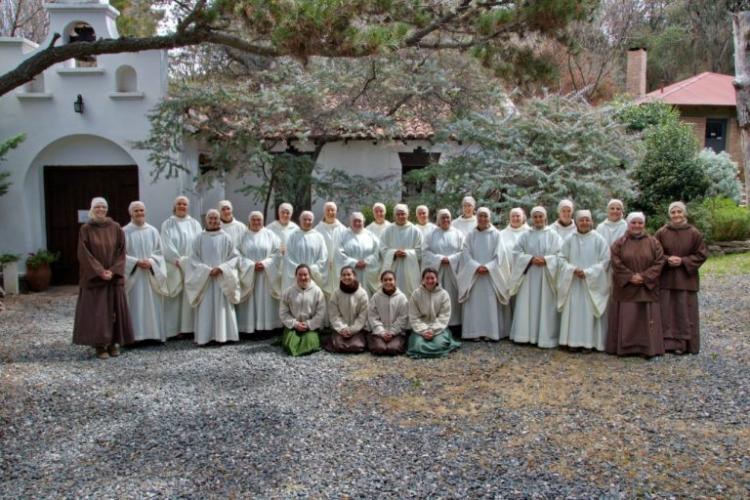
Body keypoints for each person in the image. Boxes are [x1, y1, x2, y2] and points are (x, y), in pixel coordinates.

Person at [72, 197, 134, 359]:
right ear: (92, 209)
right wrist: (100, 271)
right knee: (98, 313)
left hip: (113, 277)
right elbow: (84, 253)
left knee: (114, 310)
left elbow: (122, 251)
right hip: (95, 278)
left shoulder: (115, 227)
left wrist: (113, 271)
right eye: (97, 207)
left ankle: (114, 342)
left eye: (104, 207)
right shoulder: (86, 229)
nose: (101, 210)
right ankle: (100, 345)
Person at [606, 212, 666, 358]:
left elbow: (659, 261)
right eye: (634, 222)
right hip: (627, 286)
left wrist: (644, 277)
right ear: (628, 224)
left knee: (646, 318)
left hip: (646, 287)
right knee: (628, 317)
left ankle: (648, 349)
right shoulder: (619, 243)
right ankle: (626, 348)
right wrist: (630, 277)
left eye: (640, 223)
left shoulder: (653, 242)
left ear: (644, 224)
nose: (637, 225)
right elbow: (616, 262)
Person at [655, 202, 708, 354]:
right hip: (666, 279)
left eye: (679, 211)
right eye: (673, 212)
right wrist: (666, 259)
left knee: (684, 313)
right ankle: (667, 344)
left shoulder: (694, 233)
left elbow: (701, 254)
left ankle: (683, 345)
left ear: (684, 213)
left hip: (686, 279)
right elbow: (654, 252)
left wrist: (683, 261)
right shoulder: (661, 232)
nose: (676, 215)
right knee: (666, 312)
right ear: (669, 214)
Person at [183, 209, 241, 346]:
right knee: (206, 307)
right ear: (206, 220)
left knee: (222, 307)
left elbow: (234, 257)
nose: (213, 221)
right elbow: (193, 259)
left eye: (216, 218)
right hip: (206, 280)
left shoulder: (226, 237)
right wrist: (206, 270)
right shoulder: (199, 238)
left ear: (219, 220)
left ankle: (224, 336)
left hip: (221, 277)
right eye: (211, 218)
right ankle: (205, 337)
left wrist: (221, 268)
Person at [556, 210, 611, 351]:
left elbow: (605, 260)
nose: (585, 223)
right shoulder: (570, 238)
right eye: (582, 220)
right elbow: (561, 258)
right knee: (574, 312)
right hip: (573, 281)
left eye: (587, 220)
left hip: (591, 283)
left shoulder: (599, 239)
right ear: (577, 221)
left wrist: (588, 272)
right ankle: (572, 342)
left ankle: (589, 343)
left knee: (589, 311)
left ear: (592, 221)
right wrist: (572, 269)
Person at [509, 206, 563, 348]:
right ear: (532, 219)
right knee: (528, 304)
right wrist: (530, 259)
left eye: (541, 216)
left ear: (545, 218)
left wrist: (547, 260)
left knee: (545, 305)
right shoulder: (525, 235)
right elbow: (516, 253)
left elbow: (561, 255)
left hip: (546, 276)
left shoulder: (554, 235)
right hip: (529, 275)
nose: (538, 219)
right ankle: (525, 336)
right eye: (535, 217)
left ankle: (545, 338)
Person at [458, 207, 512, 341]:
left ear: (490, 218)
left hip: (490, 275)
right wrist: (475, 267)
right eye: (480, 216)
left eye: (485, 216)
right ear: (477, 218)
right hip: (474, 275)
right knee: (474, 304)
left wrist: (488, 267)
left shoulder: (496, 234)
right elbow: (465, 252)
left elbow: (500, 254)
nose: (482, 219)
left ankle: (490, 332)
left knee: (490, 303)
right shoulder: (471, 235)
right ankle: (474, 332)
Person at [123, 201, 168, 343]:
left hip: (149, 274)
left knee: (152, 305)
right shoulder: (124, 231)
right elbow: (120, 254)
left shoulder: (153, 231)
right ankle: (134, 337)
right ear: (131, 213)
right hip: (134, 276)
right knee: (134, 305)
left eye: (141, 210)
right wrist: (135, 262)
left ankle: (153, 335)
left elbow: (159, 252)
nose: (139, 213)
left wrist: (152, 261)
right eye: (136, 211)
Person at [160, 195, 203, 339]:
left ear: (188, 206)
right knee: (175, 297)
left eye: (184, 204)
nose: (182, 206)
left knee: (189, 295)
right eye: (179, 204)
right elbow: (165, 243)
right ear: (174, 206)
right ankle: (172, 330)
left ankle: (188, 329)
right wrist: (177, 260)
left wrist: (188, 261)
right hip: (174, 265)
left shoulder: (195, 224)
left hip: (190, 265)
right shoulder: (167, 223)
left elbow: (198, 243)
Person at [237, 211, 282, 336]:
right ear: (249, 221)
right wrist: (250, 265)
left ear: (263, 221)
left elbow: (277, 252)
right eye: (254, 219)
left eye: (259, 220)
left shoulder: (270, 235)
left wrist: (266, 263)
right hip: (249, 275)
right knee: (250, 302)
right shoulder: (242, 236)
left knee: (266, 300)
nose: (256, 222)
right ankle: (250, 328)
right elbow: (237, 254)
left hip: (266, 275)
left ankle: (267, 327)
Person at [422, 209, 464, 331]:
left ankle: (455, 324)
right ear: (438, 220)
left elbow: (464, 251)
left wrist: (450, 259)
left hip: (453, 272)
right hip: (437, 272)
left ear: (451, 219)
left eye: (448, 217)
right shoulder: (431, 234)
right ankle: (437, 325)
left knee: (453, 298)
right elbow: (425, 251)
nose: (446, 220)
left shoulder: (458, 234)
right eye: (443, 218)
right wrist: (440, 259)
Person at [407, 268, 462, 358]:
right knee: (417, 345)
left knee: (439, 344)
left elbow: (444, 316)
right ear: (423, 280)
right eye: (427, 278)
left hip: (439, 328)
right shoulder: (416, 294)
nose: (430, 281)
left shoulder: (444, 294)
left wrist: (433, 330)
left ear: (437, 279)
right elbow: (414, 316)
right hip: (420, 329)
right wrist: (424, 330)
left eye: (432, 278)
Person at [279, 264, 326, 356]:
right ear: (295, 276)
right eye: (300, 275)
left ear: (310, 275)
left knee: (310, 343)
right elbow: (283, 312)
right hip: (293, 326)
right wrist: (295, 324)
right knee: (290, 345)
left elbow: (321, 312)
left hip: (310, 327)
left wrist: (308, 324)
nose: (303, 277)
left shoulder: (317, 291)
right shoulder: (288, 291)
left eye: (305, 274)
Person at [380, 204, 423, 298]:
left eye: (403, 214)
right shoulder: (387, 230)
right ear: (394, 215)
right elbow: (382, 249)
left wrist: (408, 253)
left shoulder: (415, 231)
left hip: (410, 271)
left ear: (407, 215)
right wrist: (393, 253)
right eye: (398, 214)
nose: (400, 216)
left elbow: (420, 250)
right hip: (393, 268)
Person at [324, 266, 369, 353]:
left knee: (358, 346)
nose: (346, 277)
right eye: (343, 275)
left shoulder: (362, 294)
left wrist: (352, 330)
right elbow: (334, 314)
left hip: (356, 329)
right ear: (340, 277)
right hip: (340, 329)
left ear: (354, 276)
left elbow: (363, 316)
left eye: (349, 274)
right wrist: (342, 328)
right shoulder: (336, 293)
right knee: (339, 346)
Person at [282, 211, 328, 292]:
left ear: (313, 221)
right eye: (304, 219)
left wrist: (312, 269)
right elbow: (288, 256)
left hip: (313, 276)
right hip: (296, 277)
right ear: (300, 220)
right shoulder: (293, 236)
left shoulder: (319, 237)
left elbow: (323, 257)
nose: (307, 222)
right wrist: (300, 271)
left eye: (309, 220)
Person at [335, 212, 381, 294]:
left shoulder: (370, 235)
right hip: (350, 272)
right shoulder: (343, 235)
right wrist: (354, 263)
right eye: (354, 221)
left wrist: (366, 261)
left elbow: (377, 251)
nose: (357, 223)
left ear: (363, 222)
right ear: (350, 222)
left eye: (359, 221)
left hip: (367, 272)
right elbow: (339, 253)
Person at [367, 271, 409, 355]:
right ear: (381, 282)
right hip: (379, 332)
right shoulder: (376, 297)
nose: (388, 282)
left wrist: (393, 332)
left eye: (390, 279)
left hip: (397, 333)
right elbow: (372, 317)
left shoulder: (402, 297)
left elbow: (403, 317)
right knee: (379, 348)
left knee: (393, 349)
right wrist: (382, 332)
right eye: (385, 280)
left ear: (395, 281)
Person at [315, 201, 347, 297]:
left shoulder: (343, 230)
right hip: (323, 270)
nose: (330, 212)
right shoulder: (317, 230)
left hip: (339, 269)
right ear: (324, 212)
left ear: (336, 212)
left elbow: (347, 250)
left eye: (332, 210)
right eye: (328, 210)